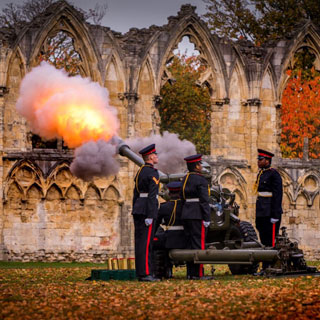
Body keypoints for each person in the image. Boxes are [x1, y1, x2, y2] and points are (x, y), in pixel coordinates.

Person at [181, 154, 211, 280]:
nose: (201, 166)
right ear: (196, 166)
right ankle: (198, 273)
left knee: (189, 244)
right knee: (198, 244)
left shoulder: (185, 179)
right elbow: (204, 201)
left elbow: (182, 197)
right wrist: (207, 218)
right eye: (199, 164)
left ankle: (190, 273)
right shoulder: (201, 180)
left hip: (186, 213)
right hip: (198, 214)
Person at [132, 144, 160, 282]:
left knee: (140, 242)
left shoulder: (140, 172)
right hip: (147, 209)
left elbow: (135, 194)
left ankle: (142, 272)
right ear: (150, 157)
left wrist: (135, 208)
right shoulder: (152, 173)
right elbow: (152, 195)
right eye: (155, 155)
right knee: (146, 243)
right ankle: (146, 273)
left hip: (139, 208)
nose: (157, 157)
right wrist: (150, 215)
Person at [255, 149, 283, 271]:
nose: (258, 162)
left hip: (270, 211)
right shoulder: (261, 174)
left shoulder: (274, 174)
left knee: (270, 240)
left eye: (260, 160)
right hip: (261, 210)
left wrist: (275, 214)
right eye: (258, 159)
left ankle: (270, 266)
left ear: (267, 161)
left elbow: (277, 195)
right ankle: (265, 266)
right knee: (263, 239)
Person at [153, 181, 186, 278]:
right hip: (184, 238)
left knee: (158, 244)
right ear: (180, 193)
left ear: (169, 194)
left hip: (170, 239)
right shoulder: (185, 206)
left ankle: (165, 271)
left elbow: (157, 222)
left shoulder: (164, 207)